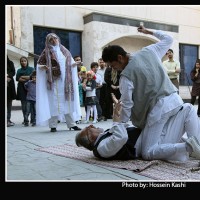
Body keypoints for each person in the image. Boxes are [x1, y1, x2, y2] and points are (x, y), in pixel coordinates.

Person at [101, 25, 200, 162]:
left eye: (113, 65)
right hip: (176, 101)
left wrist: (120, 125)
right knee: (175, 125)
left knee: (148, 152)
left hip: (159, 111)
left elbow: (128, 104)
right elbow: (168, 38)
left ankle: (189, 146)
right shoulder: (149, 51)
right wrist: (149, 31)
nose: (113, 69)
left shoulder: (125, 77)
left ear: (120, 58)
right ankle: (196, 143)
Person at [75, 100, 200, 161]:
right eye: (88, 129)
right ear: (90, 139)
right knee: (184, 109)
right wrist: (116, 120)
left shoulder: (104, 136)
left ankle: (196, 145)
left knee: (187, 108)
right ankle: (191, 146)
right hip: (151, 142)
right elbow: (121, 138)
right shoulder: (101, 149)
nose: (91, 126)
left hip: (151, 135)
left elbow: (124, 128)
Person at [36, 33, 81, 132]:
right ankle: (53, 125)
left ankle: (72, 124)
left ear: (58, 39)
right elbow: (39, 64)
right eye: (51, 39)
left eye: (55, 38)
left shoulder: (64, 50)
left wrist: (75, 64)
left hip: (65, 83)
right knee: (54, 103)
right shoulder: (46, 52)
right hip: (53, 83)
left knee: (67, 103)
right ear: (48, 41)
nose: (54, 40)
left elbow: (71, 62)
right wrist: (43, 67)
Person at [16, 56, 34, 125]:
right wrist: (28, 78)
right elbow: (17, 78)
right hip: (21, 89)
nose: (23, 62)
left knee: (31, 104)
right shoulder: (19, 70)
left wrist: (22, 77)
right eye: (22, 61)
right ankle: (25, 119)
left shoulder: (31, 69)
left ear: (27, 61)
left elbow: (32, 77)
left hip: (30, 88)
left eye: (25, 61)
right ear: (20, 62)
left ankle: (32, 119)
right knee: (23, 105)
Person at [7, 56, 17, 127]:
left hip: (9, 85)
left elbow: (13, 72)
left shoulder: (10, 63)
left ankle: (8, 119)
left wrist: (8, 76)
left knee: (9, 103)